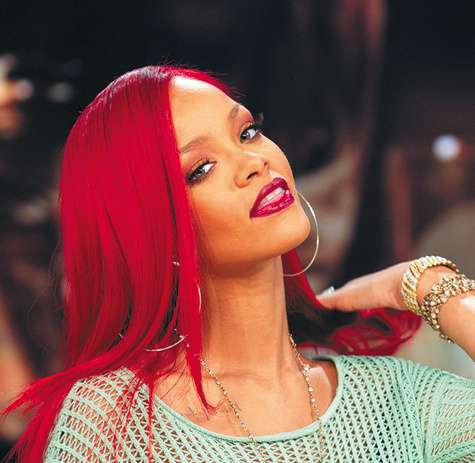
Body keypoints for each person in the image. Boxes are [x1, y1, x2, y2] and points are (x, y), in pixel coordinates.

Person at [2, 65, 474, 462]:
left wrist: (433, 287)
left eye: (247, 132)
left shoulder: (402, 402)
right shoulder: (112, 425)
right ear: (151, 228)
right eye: (201, 169)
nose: (253, 162)